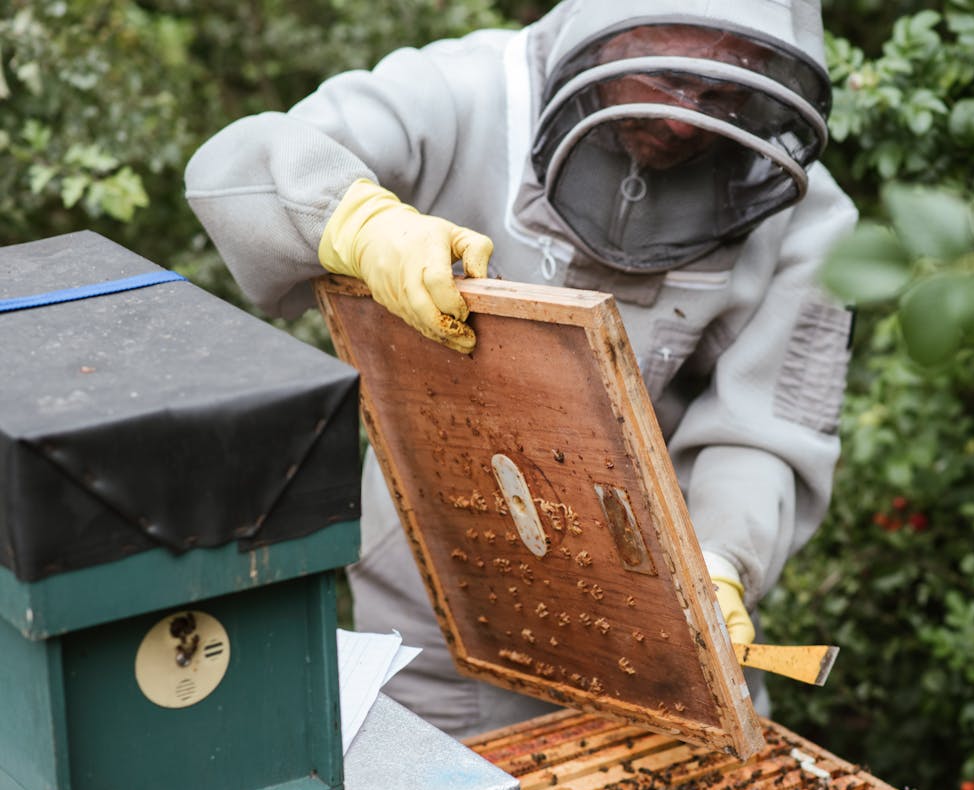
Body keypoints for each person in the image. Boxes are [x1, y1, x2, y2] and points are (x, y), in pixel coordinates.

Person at [185, 0, 857, 739]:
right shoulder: (460, 94)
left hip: (665, 614)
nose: (684, 120)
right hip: (438, 600)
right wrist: (357, 223)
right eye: (666, 78)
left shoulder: (802, 212)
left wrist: (725, 559)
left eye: (726, 91)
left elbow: (763, 433)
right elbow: (238, 161)